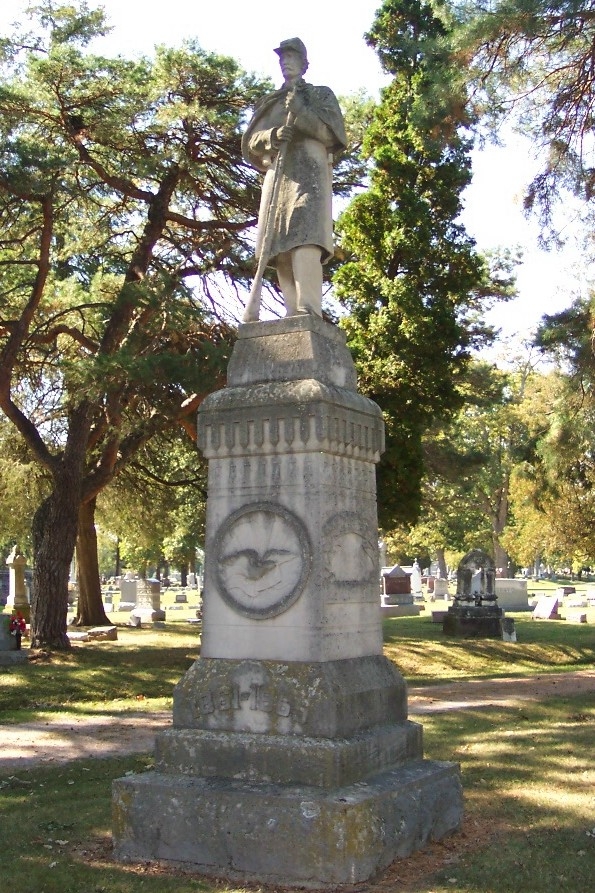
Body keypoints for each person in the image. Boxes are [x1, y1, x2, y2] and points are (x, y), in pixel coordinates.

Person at [242, 38, 347, 321]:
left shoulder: (320, 96)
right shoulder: (270, 102)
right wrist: (272, 136)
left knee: (307, 237)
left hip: (309, 174)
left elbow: (331, 135)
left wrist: (301, 113)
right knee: (278, 248)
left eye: (291, 57)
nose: (285, 61)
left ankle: (308, 308)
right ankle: (292, 310)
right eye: (282, 58)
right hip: (278, 176)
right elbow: (251, 142)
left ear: (304, 63)